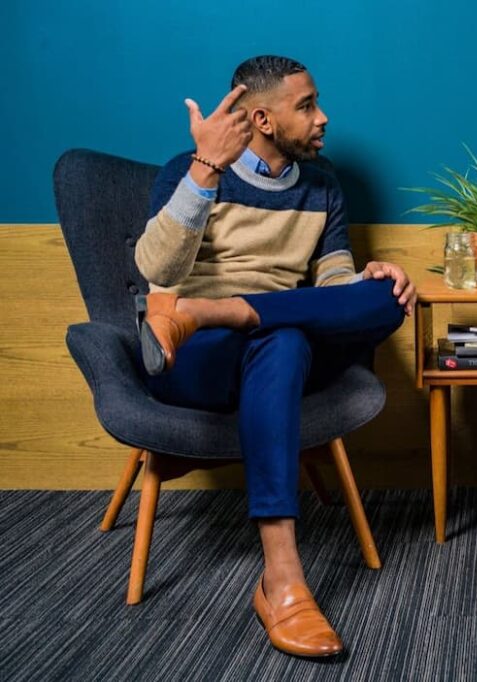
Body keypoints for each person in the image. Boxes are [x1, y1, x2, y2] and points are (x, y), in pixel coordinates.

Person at [134, 55, 417, 657]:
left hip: (260, 342)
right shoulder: (189, 172)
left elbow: (332, 273)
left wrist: (365, 280)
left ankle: (216, 310)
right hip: (190, 357)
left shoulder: (323, 184)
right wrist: (206, 170)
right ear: (262, 117)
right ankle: (283, 577)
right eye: (307, 106)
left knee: (387, 300)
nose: (323, 117)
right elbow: (155, 271)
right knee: (284, 337)